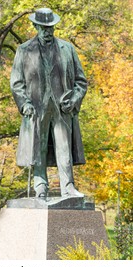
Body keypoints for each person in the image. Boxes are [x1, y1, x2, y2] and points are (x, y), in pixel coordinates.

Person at [10, 8, 87, 199]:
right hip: (37, 108)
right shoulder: (24, 50)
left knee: (64, 148)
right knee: (39, 148)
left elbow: (81, 81)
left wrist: (75, 100)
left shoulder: (67, 49)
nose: (47, 31)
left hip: (62, 108)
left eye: (50, 27)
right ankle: (40, 187)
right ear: (35, 26)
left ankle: (68, 187)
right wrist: (24, 103)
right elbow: (16, 83)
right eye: (43, 27)